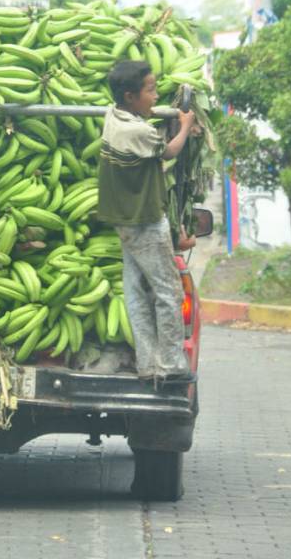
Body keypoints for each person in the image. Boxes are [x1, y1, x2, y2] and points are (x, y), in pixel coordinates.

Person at [97, 60, 196, 384]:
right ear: (130, 96)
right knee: (168, 292)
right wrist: (183, 126)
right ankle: (169, 364)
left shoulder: (113, 117)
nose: (155, 97)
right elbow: (168, 153)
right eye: (150, 91)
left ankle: (147, 363)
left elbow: (148, 155)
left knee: (136, 292)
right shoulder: (136, 130)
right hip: (145, 222)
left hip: (124, 221)